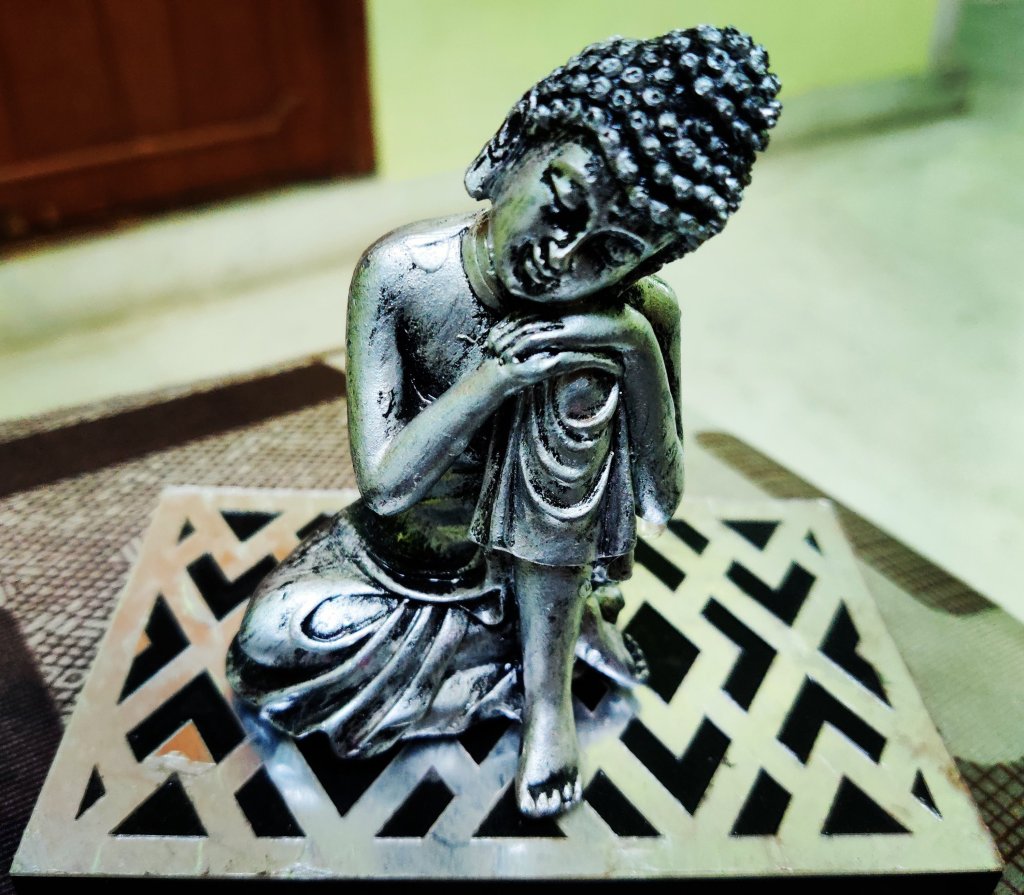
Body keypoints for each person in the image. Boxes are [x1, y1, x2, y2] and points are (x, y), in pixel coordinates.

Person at [228, 24, 781, 818]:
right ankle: (540, 644)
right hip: (395, 571)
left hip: (533, 573)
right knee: (273, 637)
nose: (563, 256)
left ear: (649, 261)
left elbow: (661, 504)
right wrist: (492, 379)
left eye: (613, 252)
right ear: (515, 144)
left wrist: (631, 346)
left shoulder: (636, 318)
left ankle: (547, 700)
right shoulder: (404, 273)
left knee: (578, 381)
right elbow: (385, 487)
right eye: (564, 205)